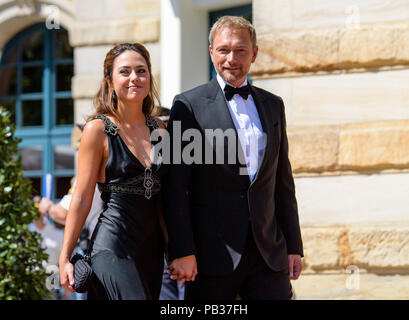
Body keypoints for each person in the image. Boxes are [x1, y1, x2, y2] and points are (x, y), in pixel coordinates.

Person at [163, 16, 303, 300]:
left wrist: (293, 246)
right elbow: (175, 186)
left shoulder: (273, 106)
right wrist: (182, 250)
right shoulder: (186, 105)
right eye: (224, 49)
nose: (231, 58)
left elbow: (282, 182)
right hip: (211, 256)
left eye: (240, 50)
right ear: (211, 51)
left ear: (254, 53)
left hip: (268, 253)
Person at [59, 43, 167, 300]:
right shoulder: (97, 129)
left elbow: (166, 196)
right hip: (112, 246)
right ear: (109, 79)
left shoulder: (160, 128)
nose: (134, 78)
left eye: (141, 71)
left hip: (152, 251)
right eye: (125, 71)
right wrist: (65, 257)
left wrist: (175, 248)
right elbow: (82, 197)